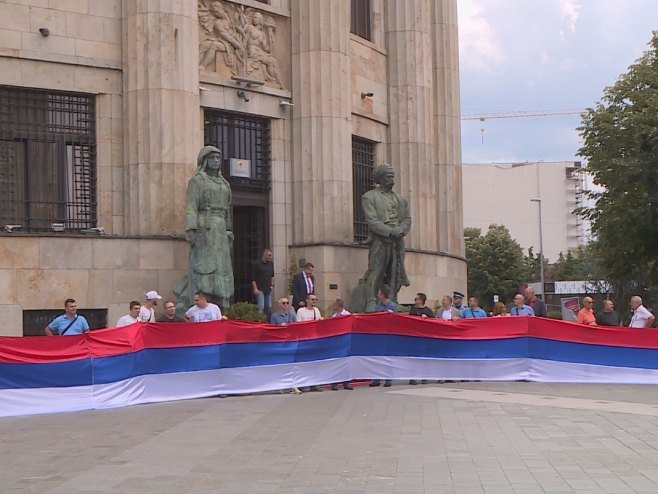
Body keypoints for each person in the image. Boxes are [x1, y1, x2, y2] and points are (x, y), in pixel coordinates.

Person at [351, 163, 411, 312]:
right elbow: (372, 221)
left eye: (393, 177)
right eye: (388, 177)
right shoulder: (369, 197)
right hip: (380, 240)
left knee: (396, 272)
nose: (392, 180)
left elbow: (407, 219)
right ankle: (371, 300)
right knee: (375, 270)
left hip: (398, 240)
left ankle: (393, 299)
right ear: (380, 178)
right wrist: (389, 231)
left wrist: (400, 231)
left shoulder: (401, 200)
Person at [185, 145, 234, 308]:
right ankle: (203, 299)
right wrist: (191, 229)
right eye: (212, 158)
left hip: (220, 229)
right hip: (204, 227)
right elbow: (191, 206)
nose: (215, 161)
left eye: (218, 158)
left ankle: (223, 302)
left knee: (222, 267)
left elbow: (227, 210)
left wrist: (228, 230)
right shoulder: (197, 181)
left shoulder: (224, 183)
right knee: (205, 267)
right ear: (205, 161)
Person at [370, 285, 398, 388]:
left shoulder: (392, 306)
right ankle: (376, 379)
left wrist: (391, 315)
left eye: (379, 292)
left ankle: (388, 379)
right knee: (377, 356)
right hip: (379, 333)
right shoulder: (379, 305)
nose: (377, 294)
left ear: (383, 294)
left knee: (387, 357)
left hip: (388, 334)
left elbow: (396, 321)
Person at [330, 299, 353, 391]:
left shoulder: (347, 315)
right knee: (335, 362)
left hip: (345, 342)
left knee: (345, 363)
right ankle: (334, 383)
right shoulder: (334, 316)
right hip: (336, 342)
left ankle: (346, 382)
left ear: (339, 306)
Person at [252, 248, 274, 316]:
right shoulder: (256, 264)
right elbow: (253, 278)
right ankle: (260, 321)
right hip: (259, 288)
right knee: (261, 307)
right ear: (265, 255)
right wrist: (255, 288)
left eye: (271, 255)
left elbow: (272, 275)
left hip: (268, 288)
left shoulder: (271, 264)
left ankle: (267, 321)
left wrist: (272, 285)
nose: (271, 257)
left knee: (269, 306)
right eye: (269, 255)